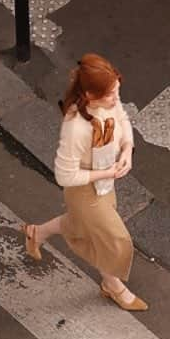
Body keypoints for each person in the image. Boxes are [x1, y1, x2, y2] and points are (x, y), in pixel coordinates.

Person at [21, 53, 147, 311]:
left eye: (116, 91)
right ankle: (113, 286)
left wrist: (126, 150)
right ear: (90, 95)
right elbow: (64, 175)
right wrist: (107, 173)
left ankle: (37, 233)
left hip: (104, 182)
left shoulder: (108, 99)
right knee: (115, 241)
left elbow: (121, 118)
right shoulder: (76, 128)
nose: (116, 98)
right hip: (84, 190)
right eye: (111, 94)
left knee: (78, 225)